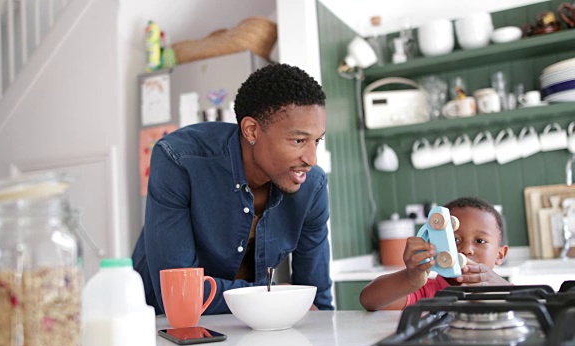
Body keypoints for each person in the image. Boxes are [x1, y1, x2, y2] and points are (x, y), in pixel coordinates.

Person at [131, 63, 333, 315]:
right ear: (251, 130)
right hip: (162, 328)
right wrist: (272, 297)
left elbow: (318, 301)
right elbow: (178, 294)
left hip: (253, 323)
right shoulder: (180, 161)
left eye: (317, 140)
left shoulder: (311, 187)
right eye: (299, 140)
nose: (312, 159)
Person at [359, 196, 509, 311]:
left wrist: (506, 291)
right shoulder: (424, 291)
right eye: (455, 239)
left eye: (480, 241)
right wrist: (410, 279)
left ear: (500, 255)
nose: (466, 249)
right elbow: (369, 300)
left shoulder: (507, 289)